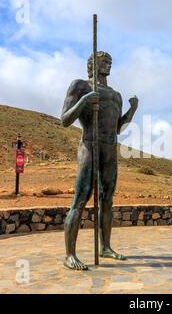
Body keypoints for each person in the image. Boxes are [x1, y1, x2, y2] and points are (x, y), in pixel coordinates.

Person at [61, 51, 138, 270]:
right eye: (104, 61)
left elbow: (117, 128)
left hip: (110, 148)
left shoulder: (116, 95)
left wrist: (132, 111)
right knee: (81, 198)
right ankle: (70, 255)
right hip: (90, 144)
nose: (108, 65)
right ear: (92, 64)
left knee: (107, 198)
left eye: (110, 62)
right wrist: (84, 101)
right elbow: (65, 119)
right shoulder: (80, 86)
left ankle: (105, 247)